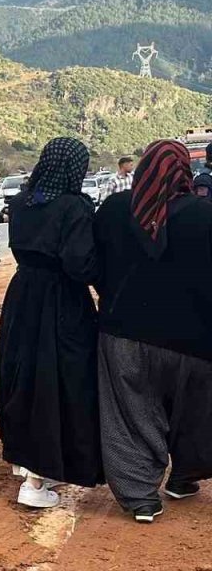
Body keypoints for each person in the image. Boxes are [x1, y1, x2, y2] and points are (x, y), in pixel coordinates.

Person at [94, 140, 212, 523]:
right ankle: (184, 476)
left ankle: (140, 496)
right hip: (195, 339)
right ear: (184, 171)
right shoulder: (203, 214)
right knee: (193, 411)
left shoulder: (114, 211)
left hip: (125, 334)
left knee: (131, 413)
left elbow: (94, 264)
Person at [0, 137, 102, 509]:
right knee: (62, 380)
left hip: (23, 296)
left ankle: (28, 463)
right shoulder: (74, 207)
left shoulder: (21, 202)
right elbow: (79, 264)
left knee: (25, 377)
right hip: (61, 301)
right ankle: (38, 478)